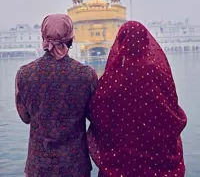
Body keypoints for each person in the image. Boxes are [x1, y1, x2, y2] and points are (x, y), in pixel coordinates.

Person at [87, 21, 187, 177]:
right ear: (146, 41)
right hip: (159, 161)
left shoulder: (114, 77)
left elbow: (97, 112)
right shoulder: (158, 72)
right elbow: (171, 109)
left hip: (121, 163)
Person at [15, 14, 98, 177]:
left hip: (38, 166)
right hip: (75, 166)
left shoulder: (25, 74)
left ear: (43, 38)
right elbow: (94, 116)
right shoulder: (86, 75)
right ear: (71, 39)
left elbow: (25, 117)